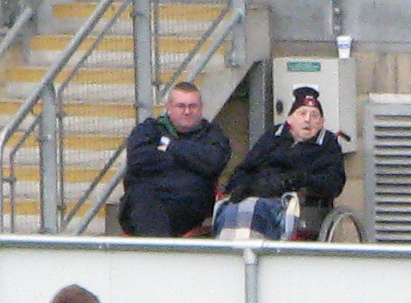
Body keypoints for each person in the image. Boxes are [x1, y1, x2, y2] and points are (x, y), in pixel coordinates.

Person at [212, 84, 347, 235]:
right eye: (302, 113)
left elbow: (334, 182)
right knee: (231, 207)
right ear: (290, 119)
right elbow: (247, 167)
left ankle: (249, 252)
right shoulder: (273, 135)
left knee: (254, 208)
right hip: (261, 194)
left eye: (314, 115)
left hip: (297, 203)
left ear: (321, 122)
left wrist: (299, 179)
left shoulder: (327, 143)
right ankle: (234, 250)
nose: (307, 120)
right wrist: (243, 185)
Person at [120, 78, 231, 235]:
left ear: (201, 108)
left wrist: (169, 147)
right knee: (143, 197)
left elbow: (213, 162)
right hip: (145, 203)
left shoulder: (213, 134)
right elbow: (138, 161)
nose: (187, 111)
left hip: (189, 205)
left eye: (192, 106)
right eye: (181, 106)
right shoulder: (148, 130)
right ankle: (159, 252)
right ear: (168, 107)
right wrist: (190, 160)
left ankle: (157, 253)